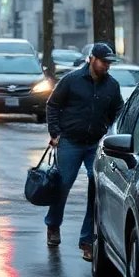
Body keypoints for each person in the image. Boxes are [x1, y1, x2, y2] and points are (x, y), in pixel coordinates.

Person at [45, 42, 125, 261]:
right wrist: (55, 133)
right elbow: (53, 105)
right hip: (70, 141)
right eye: (103, 62)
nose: (107, 66)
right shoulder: (71, 80)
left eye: (109, 63)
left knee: (95, 186)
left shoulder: (112, 86)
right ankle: (53, 225)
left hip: (95, 144)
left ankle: (88, 240)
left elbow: (118, 111)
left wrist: (113, 133)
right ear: (92, 59)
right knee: (62, 185)